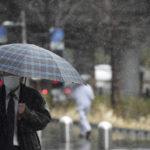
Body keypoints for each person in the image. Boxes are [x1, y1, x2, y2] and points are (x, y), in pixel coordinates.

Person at [0, 75, 51, 150]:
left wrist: (28, 113)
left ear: (22, 77)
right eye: (7, 74)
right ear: (2, 76)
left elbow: (44, 120)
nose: (10, 76)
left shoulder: (32, 95)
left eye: (14, 74)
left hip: (26, 146)